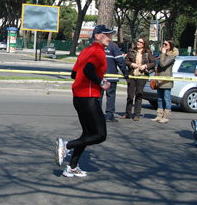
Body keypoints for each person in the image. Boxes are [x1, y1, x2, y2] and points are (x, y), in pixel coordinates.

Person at [54, 24, 113, 178]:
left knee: (87, 134)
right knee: (100, 135)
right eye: (106, 35)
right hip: (88, 98)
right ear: (97, 36)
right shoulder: (98, 51)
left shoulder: (85, 51)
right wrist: (102, 83)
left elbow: (74, 74)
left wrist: (96, 79)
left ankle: (72, 167)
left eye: (111, 35)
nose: (110, 38)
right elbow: (88, 70)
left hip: (78, 98)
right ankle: (67, 145)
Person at [122, 37, 155, 121]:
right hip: (132, 75)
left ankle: (137, 114)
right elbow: (126, 61)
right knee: (130, 95)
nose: (138, 43)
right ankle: (127, 113)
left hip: (142, 76)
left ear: (144, 44)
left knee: (139, 95)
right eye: (138, 41)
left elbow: (153, 63)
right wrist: (131, 64)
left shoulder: (147, 53)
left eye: (141, 42)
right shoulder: (131, 51)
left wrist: (145, 66)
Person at [151, 40, 179, 123]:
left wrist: (163, 53)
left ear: (170, 46)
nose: (164, 46)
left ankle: (166, 116)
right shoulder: (162, 54)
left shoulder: (171, 56)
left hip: (166, 80)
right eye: (163, 44)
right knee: (159, 98)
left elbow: (163, 64)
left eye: (166, 44)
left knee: (167, 98)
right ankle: (159, 115)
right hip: (159, 79)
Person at [100, 40, 128, 122]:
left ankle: (97, 115)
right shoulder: (113, 47)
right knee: (111, 96)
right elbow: (120, 61)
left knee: (98, 96)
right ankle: (109, 115)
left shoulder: (98, 47)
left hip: (99, 77)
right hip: (111, 76)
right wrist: (125, 73)